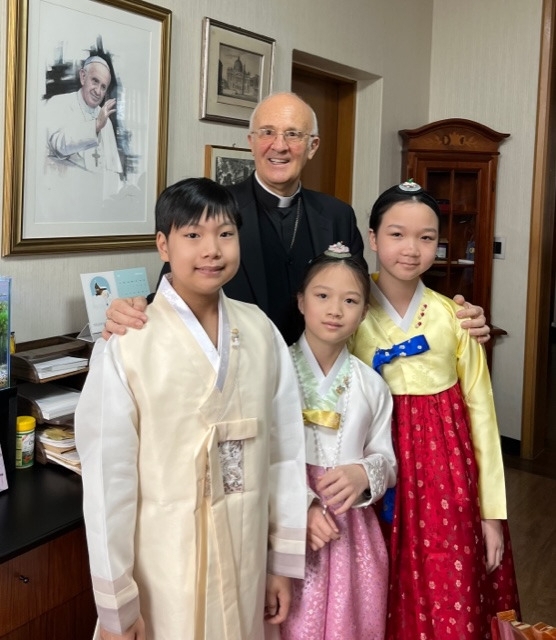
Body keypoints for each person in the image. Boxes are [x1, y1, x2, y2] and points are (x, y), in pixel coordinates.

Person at [75, 177, 307, 640]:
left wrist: (280, 563)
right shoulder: (129, 341)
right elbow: (107, 481)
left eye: (225, 234)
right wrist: (118, 604)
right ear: (163, 245)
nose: (212, 250)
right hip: (164, 565)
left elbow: (285, 452)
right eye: (192, 235)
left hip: (245, 555)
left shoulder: (260, 330)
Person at [104, 92, 491, 345]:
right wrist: (132, 311)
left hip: (321, 376)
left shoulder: (337, 215)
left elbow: (366, 297)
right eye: (268, 133)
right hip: (239, 370)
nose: (280, 146)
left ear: (312, 146)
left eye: (293, 134)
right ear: (251, 141)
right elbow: (175, 290)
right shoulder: (219, 210)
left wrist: (450, 317)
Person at [350, 180, 520, 639]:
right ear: (372, 237)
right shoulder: (347, 310)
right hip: (372, 469)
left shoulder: (454, 317)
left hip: (446, 476)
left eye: (426, 238)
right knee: (372, 588)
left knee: (451, 587)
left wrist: (492, 514)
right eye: (397, 234)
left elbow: (482, 417)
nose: (411, 249)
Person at [280, 244, 397, 640]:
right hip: (285, 520)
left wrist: (364, 473)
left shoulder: (372, 385)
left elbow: (388, 459)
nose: (335, 310)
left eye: (350, 300)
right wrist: (301, 505)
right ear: (300, 301)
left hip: (351, 531)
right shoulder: (273, 373)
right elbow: (260, 458)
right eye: (322, 296)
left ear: (364, 312)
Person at [45, 55, 122, 184]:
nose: (98, 91)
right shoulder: (58, 103)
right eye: (95, 81)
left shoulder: (106, 122)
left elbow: (113, 171)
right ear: (83, 76)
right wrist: (95, 126)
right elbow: (58, 146)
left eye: (103, 87)